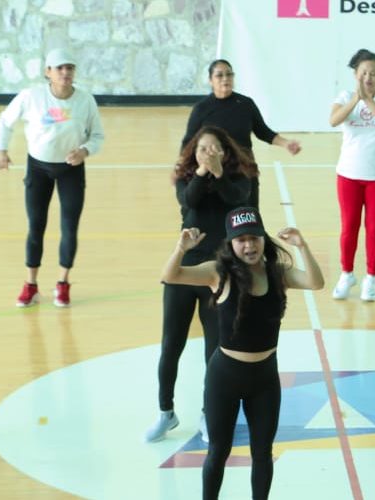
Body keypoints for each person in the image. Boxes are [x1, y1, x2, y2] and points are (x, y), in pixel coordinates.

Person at [161, 207, 323, 499]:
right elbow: (171, 275)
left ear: (263, 238)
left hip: (264, 380)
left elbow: (316, 282)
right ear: (231, 243)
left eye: (254, 238)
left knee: (262, 453)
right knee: (218, 451)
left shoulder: (277, 273)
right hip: (224, 379)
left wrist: (302, 246)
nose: (249, 245)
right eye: (241, 240)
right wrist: (181, 249)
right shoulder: (217, 273)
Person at [146, 126, 258, 443]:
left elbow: (238, 200)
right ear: (193, 154)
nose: (208, 153)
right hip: (185, 269)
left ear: (226, 151)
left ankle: (209, 414)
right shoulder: (185, 177)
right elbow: (189, 200)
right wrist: (201, 172)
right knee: (171, 344)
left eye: (214, 148)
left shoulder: (240, 178)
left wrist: (219, 173)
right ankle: (166, 412)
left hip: (219, 273)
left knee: (215, 349)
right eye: (201, 148)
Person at [0, 48, 105, 308]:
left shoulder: (85, 100)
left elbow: (97, 136)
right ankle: (31, 285)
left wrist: (85, 151)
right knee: (36, 226)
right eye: (59, 68)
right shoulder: (31, 96)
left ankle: (63, 283)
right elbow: (5, 122)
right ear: (48, 72)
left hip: (71, 170)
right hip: (38, 169)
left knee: (69, 227)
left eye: (70, 68)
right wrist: (1, 150)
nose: (65, 72)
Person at [328, 48, 375, 302]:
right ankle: (347, 274)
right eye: (364, 73)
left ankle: (371, 278)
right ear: (356, 75)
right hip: (349, 175)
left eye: (374, 73)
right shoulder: (344, 96)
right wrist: (355, 99)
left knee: (374, 228)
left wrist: (367, 99)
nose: (368, 77)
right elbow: (333, 120)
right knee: (349, 227)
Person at [180, 59, 301, 160]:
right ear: (210, 80)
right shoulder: (201, 108)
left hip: (244, 168)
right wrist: (182, 169)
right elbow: (188, 143)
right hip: (214, 169)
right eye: (219, 75)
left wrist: (286, 143)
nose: (225, 78)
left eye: (229, 74)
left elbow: (263, 132)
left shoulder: (246, 104)